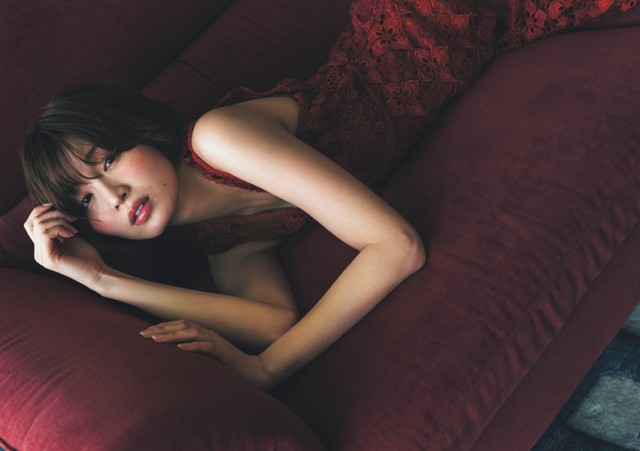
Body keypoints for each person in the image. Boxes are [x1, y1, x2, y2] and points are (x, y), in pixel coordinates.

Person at [21, 0, 635, 389]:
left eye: (107, 160)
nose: (113, 193)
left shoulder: (218, 138)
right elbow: (272, 321)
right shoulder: (228, 243)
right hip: (477, 37)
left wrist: (268, 369)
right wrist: (102, 281)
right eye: (85, 201)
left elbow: (397, 247)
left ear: (140, 133)